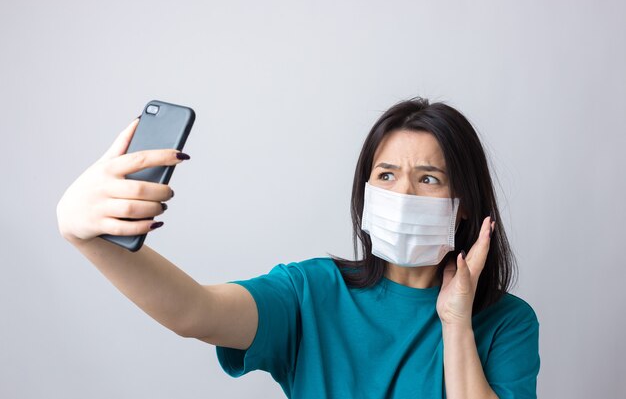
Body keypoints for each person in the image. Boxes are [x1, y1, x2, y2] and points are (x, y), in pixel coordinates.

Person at [56, 97, 540, 399]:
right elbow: (193, 312)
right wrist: (87, 237)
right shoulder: (311, 291)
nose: (403, 195)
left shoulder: (507, 323)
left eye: (428, 178)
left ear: (462, 206)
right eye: (386, 176)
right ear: (365, 192)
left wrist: (456, 322)